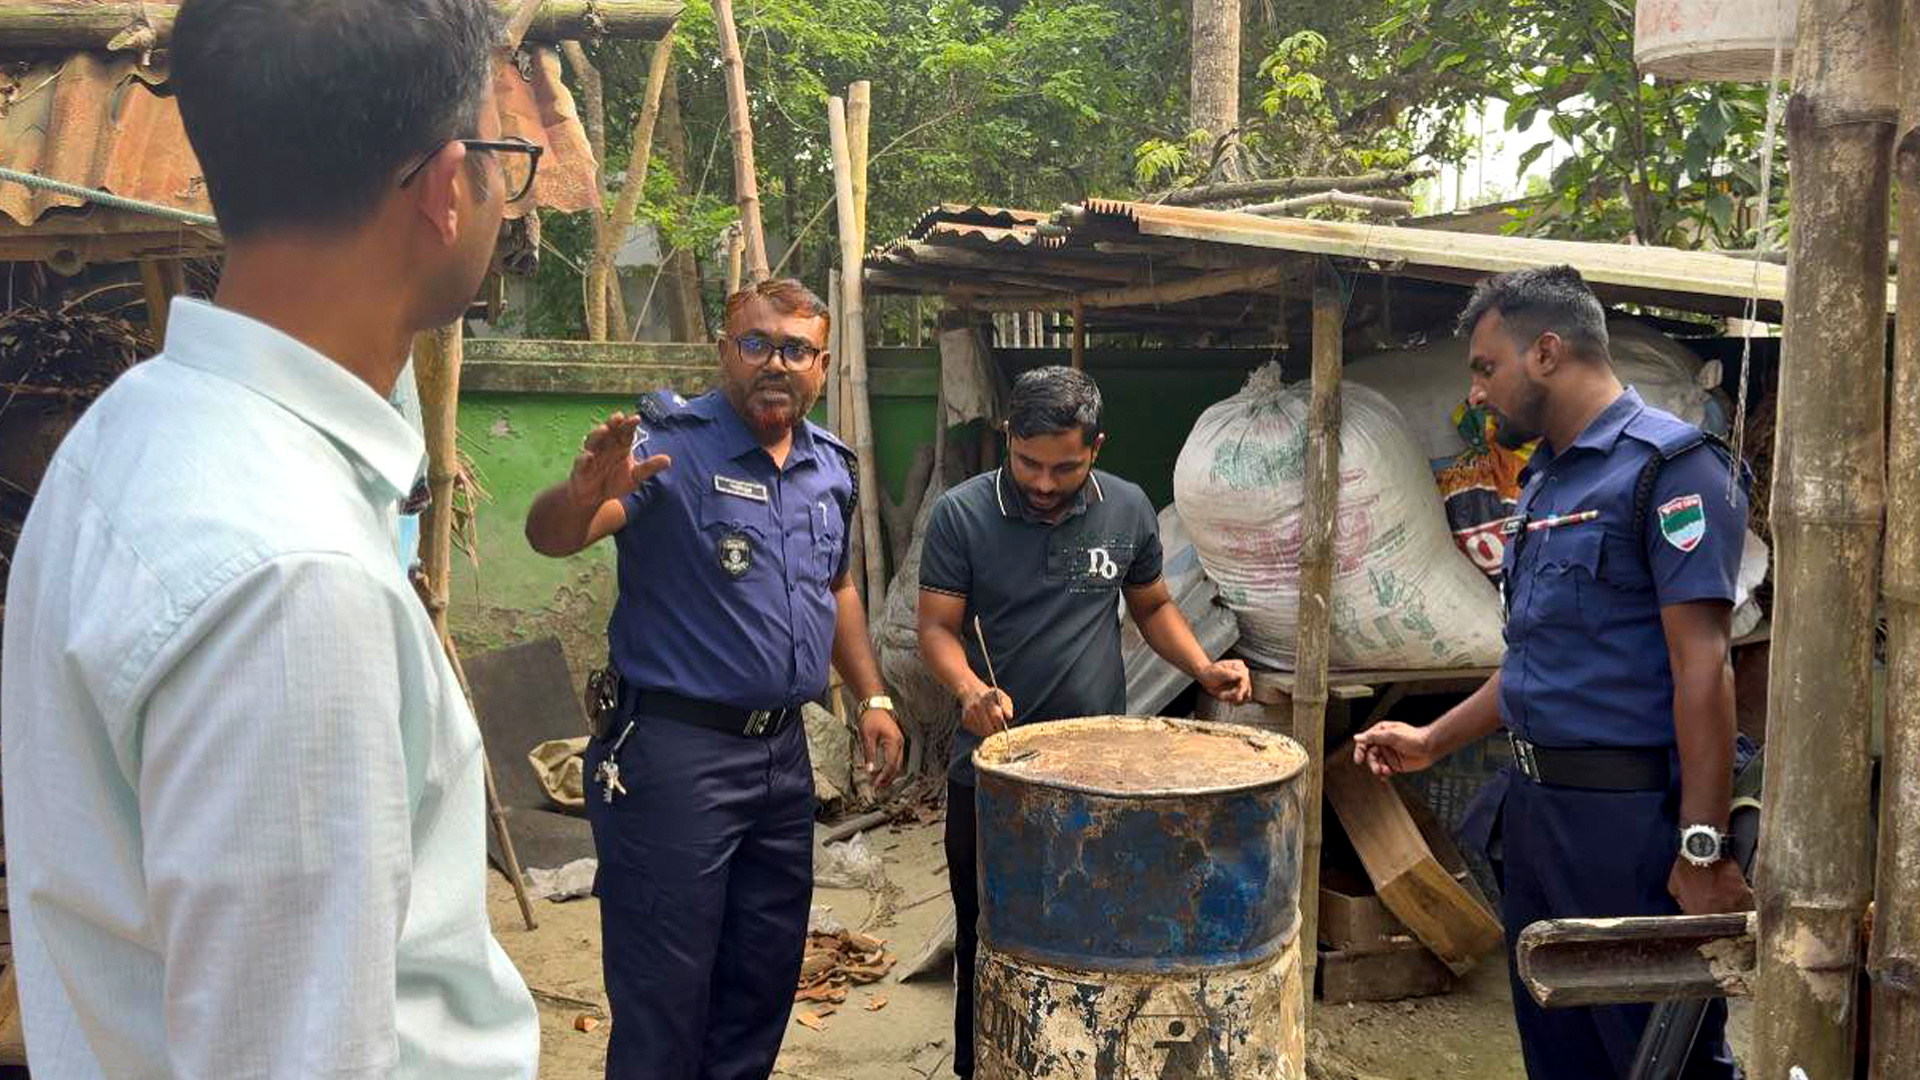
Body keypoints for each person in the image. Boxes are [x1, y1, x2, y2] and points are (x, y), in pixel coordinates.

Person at [0, 1, 541, 1077]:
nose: (501, 190)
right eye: (501, 156)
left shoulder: (133, 431)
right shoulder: (290, 581)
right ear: (444, 189)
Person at [1354, 265, 1752, 1080]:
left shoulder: (1669, 471)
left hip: (1627, 824)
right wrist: (1432, 738)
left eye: (1485, 366)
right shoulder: (1543, 479)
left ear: (1545, 351)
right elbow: (1537, 661)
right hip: (1536, 814)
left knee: (1652, 1056)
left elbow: (1704, 667)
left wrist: (1702, 848)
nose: (1476, 392)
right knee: (1559, 1051)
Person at [524, 277, 905, 1080]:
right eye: (758, 343)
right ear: (725, 351)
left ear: (821, 363)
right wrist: (579, 493)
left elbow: (835, 589)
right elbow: (557, 535)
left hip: (782, 759)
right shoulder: (669, 450)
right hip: (674, 757)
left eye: (795, 349)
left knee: (759, 981)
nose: (776, 362)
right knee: (665, 991)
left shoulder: (826, 467)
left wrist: (870, 694)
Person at [913, 365, 1254, 1078]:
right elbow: (937, 629)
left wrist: (1203, 667)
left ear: (1095, 447)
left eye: (1063, 467)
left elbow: (1153, 606)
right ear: (1008, 438)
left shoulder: (1127, 509)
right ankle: (984, 1066)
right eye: (1028, 462)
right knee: (991, 936)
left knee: (1096, 937)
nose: (1042, 482)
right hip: (995, 776)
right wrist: (970, 688)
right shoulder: (962, 515)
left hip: (1100, 781)